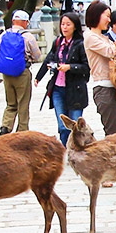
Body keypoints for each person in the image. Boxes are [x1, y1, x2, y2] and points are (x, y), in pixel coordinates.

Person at [36, 11, 90, 146]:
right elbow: (49, 58)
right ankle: (66, 151)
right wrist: (39, 77)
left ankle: (77, 151)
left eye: (68, 24)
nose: (64, 27)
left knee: (76, 125)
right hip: (58, 89)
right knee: (62, 126)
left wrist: (70, 67)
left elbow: (86, 67)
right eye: (62, 24)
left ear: (75, 26)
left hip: (75, 89)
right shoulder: (58, 42)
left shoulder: (80, 44)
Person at [82, 0, 116, 134]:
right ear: (96, 15)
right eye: (107, 16)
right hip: (104, 88)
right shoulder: (90, 37)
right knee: (113, 133)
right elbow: (111, 52)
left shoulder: (104, 37)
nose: (109, 20)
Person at [0, 10, 42, 134]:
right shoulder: (27, 36)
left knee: (10, 103)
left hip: (6, 73)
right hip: (22, 72)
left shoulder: (3, 35)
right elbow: (37, 55)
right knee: (23, 103)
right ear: (24, 22)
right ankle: (22, 131)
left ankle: (5, 126)